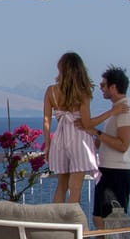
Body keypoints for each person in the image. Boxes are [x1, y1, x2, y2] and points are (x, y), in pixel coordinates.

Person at [85, 65, 130, 228]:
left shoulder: (125, 111)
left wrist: (97, 133)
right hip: (107, 171)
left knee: (113, 222)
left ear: (113, 87)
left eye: (103, 85)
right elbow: (105, 141)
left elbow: (123, 145)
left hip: (117, 172)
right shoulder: (116, 111)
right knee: (99, 218)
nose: (101, 89)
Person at [42, 52, 98, 205]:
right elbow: (86, 122)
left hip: (60, 139)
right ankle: (72, 220)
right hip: (79, 139)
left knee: (61, 186)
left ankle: (56, 219)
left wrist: (48, 145)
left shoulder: (51, 91)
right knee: (75, 188)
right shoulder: (82, 92)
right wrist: (110, 113)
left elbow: (46, 120)